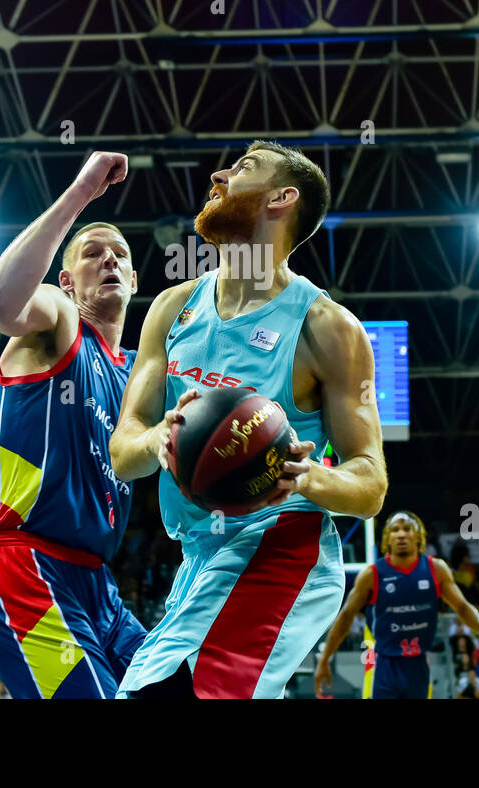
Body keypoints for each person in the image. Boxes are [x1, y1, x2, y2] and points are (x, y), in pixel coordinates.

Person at [111, 141, 387, 698]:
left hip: (281, 547)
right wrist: (160, 438)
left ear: (283, 198)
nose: (218, 175)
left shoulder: (328, 328)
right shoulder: (172, 308)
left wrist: (305, 476)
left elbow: (371, 481)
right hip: (198, 559)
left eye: (242, 168)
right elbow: (124, 452)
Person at [0, 152, 147, 699]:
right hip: (25, 566)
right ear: (67, 280)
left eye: (119, 254)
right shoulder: (61, 320)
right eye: (94, 254)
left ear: (136, 279)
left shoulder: (140, 375)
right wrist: (82, 192)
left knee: (183, 686)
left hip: (99, 585)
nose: (109, 260)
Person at [315, 511, 479, 699]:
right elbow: (346, 616)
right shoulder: (372, 574)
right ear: (387, 539)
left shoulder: (436, 569)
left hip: (419, 664)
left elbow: (463, 607)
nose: (401, 534)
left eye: (407, 529)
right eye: (394, 530)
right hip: (384, 664)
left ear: (418, 537)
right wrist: (325, 658)